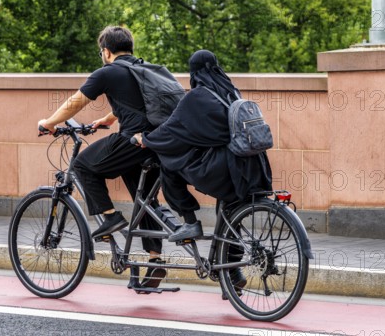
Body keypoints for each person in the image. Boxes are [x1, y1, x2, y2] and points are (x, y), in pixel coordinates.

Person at [38, 26, 167, 287]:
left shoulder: (108, 72)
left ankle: (109, 217)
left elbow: (76, 101)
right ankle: (155, 260)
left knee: (82, 165)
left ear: (106, 52)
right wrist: (107, 119)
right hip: (159, 141)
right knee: (144, 200)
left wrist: (49, 122)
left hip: (133, 139)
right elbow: (140, 104)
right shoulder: (143, 69)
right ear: (129, 48)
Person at [133, 49, 273, 242]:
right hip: (252, 166)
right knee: (228, 214)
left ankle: (190, 222)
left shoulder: (197, 97)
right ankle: (230, 269)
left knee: (169, 166)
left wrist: (145, 139)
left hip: (226, 168)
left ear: (194, 72)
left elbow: (171, 130)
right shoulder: (231, 91)